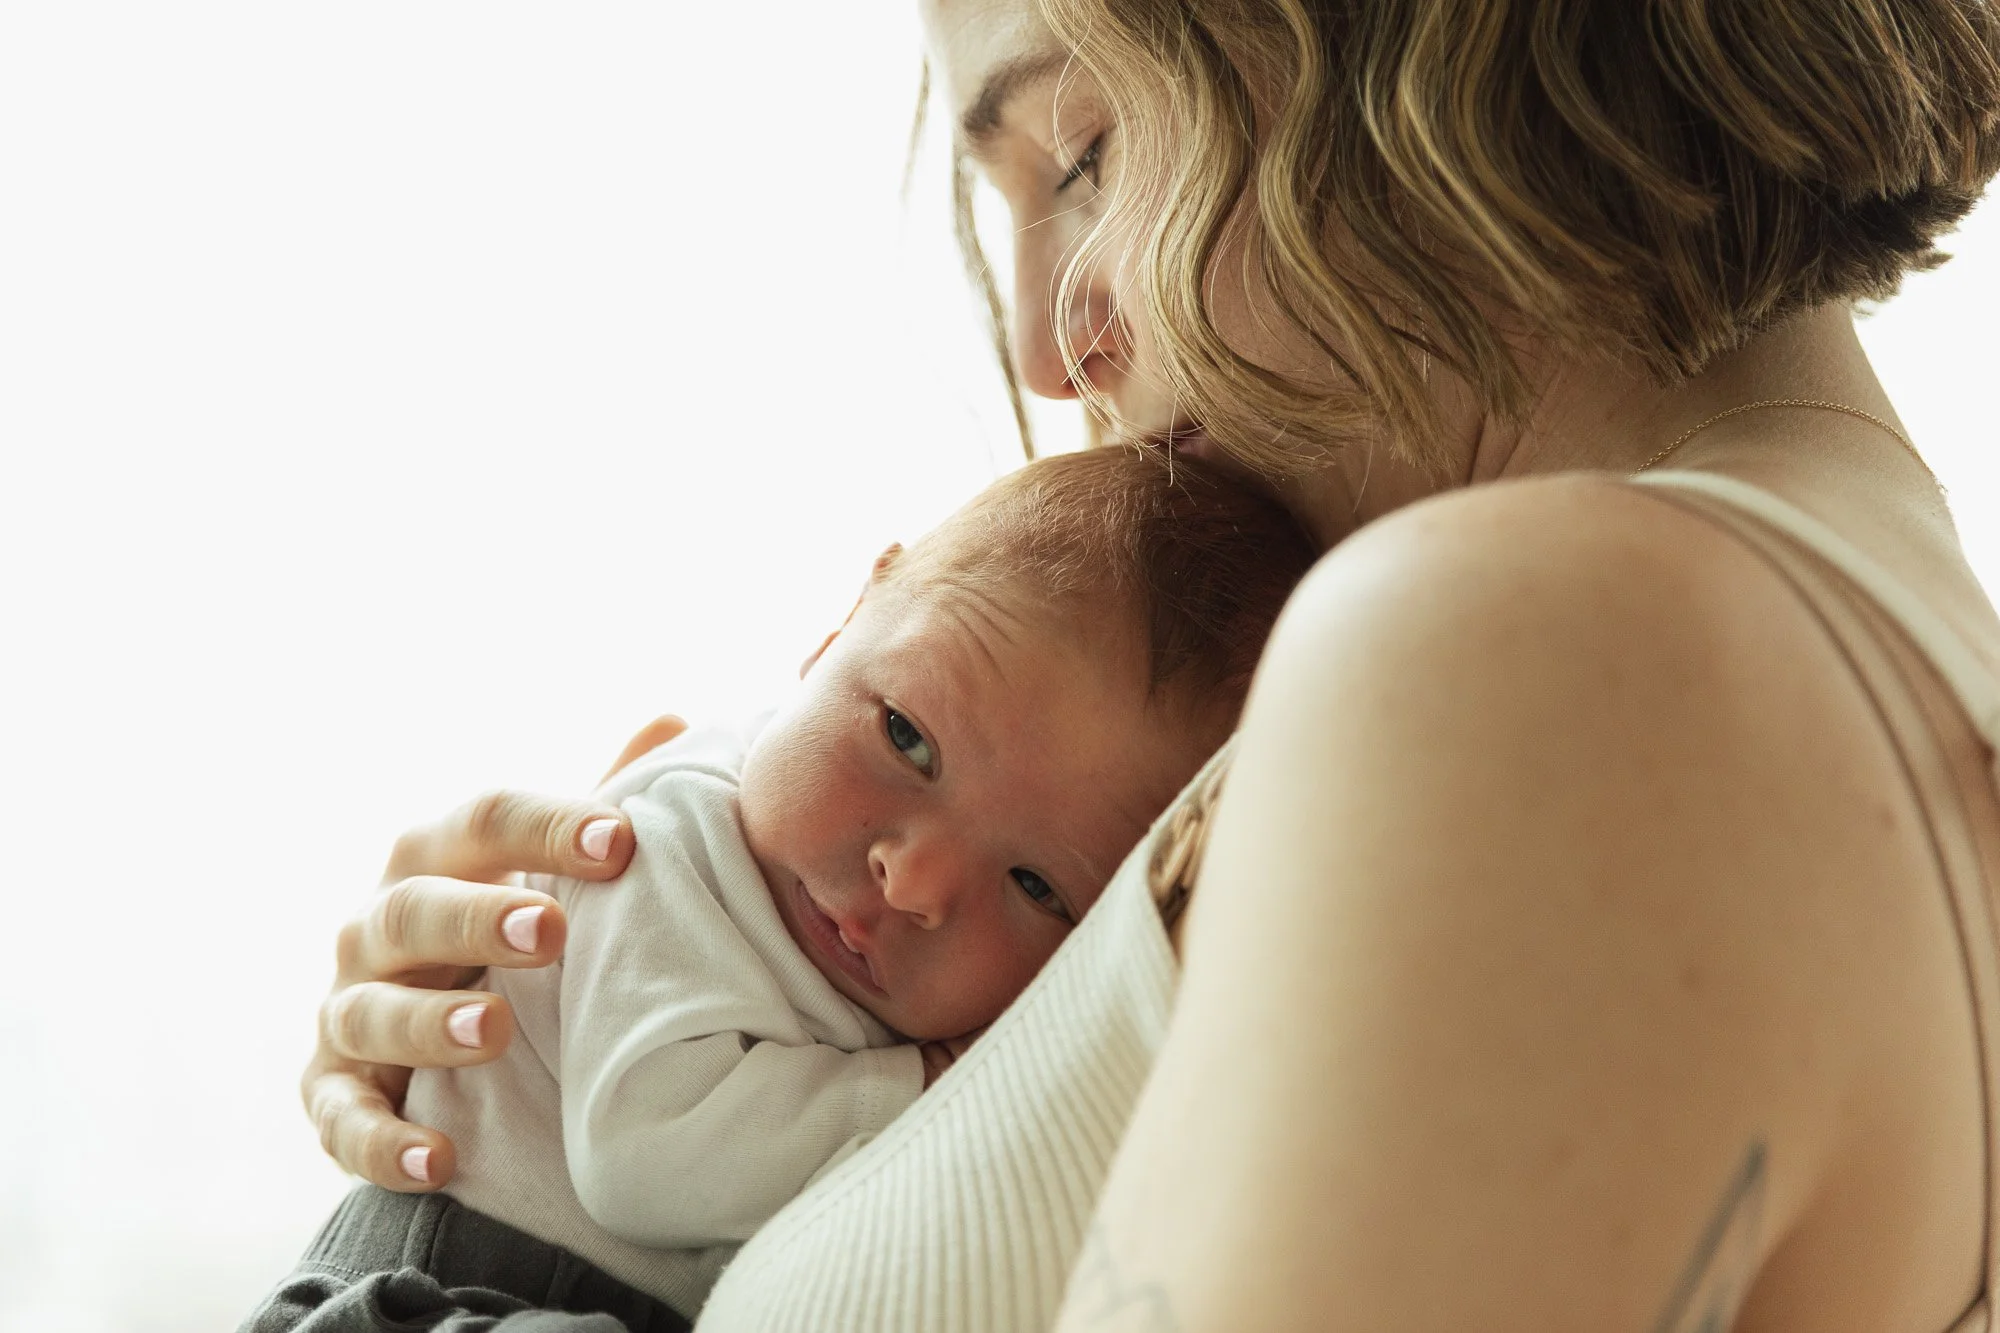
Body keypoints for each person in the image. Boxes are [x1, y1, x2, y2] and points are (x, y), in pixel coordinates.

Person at [298, 1, 2000, 1329]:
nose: (1050, 346)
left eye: (1084, 149)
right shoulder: (1813, 658)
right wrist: (522, 1123)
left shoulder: (1550, 666)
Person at [250, 448, 1316, 1331]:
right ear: (838, 622)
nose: (915, 878)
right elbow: (649, 1156)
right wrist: (922, 1085)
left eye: (1037, 885)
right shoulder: (666, 843)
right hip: (431, 1291)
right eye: (905, 735)